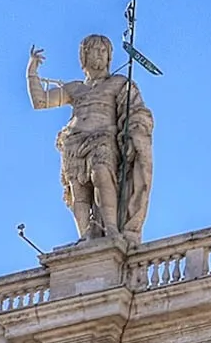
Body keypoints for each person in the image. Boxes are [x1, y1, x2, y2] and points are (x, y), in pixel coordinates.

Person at [26, 34, 152, 241]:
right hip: (73, 142)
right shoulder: (75, 88)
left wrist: (135, 132)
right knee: (79, 191)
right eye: (95, 50)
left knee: (102, 175)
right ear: (84, 56)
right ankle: (85, 236)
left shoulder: (119, 83)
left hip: (103, 138)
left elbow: (136, 111)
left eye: (104, 51)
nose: (100, 55)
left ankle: (111, 228)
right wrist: (32, 72)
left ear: (110, 57)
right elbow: (41, 101)